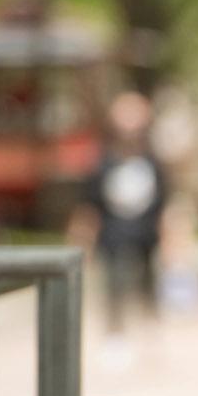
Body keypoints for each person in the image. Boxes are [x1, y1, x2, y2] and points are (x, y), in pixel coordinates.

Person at [71, 91, 169, 340]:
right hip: (112, 232)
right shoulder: (102, 158)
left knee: (148, 280)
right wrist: (82, 240)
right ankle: (115, 332)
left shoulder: (153, 157)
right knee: (113, 282)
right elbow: (89, 204)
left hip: (146, 233)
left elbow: (166, 200)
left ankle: (150, 327)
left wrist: (173, 239)